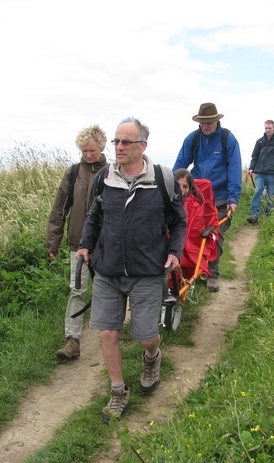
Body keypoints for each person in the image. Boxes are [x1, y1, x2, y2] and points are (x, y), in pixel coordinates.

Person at [77, 117, 187, 422]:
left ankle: (152, 355)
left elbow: (179, 222)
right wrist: (86, 245)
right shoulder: (104, 179)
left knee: (144, 334)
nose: (119, 147)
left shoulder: (162, 180)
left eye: (126, 142)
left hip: (147, 270)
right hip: (108, 269)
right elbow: (94, 217)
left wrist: (175, 252)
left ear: (143, 146)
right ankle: (117, 391)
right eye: (116, 141)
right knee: (108, 332)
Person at [46, 125, 109, 361]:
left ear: (101, 148)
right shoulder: (73, 173)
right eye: (84, 151)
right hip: (77, 244)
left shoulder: (113, 172)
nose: (88, 155)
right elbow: (59, 208)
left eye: (92, 150)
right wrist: (54, 241)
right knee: (77, 290)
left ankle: (111, 334)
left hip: (105, 245)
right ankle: (72, 340)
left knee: (107, 290)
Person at [173, 102, 242, 292]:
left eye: (209, 122)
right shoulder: (193, 139)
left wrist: (233, 198)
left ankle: (212, 274)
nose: (206, 126)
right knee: (191, 232)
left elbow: (235, 168)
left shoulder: (227, 139)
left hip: (220, 197)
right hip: (197, 197)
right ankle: (188, 268)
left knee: (214, 233)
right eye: (202, 122)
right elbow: (180, 165)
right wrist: (170, 187)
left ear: (216, 121)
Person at [246, 120, 274, 224]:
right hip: (260, 172)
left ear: (273, 128)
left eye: (269, 128)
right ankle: (254, 214)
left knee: (271, 195)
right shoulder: (260, 141)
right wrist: (251, 168)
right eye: (266, 128)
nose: (267, 130)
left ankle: (269, 215)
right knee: (257, 191)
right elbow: (254, 156)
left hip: (273, 174)